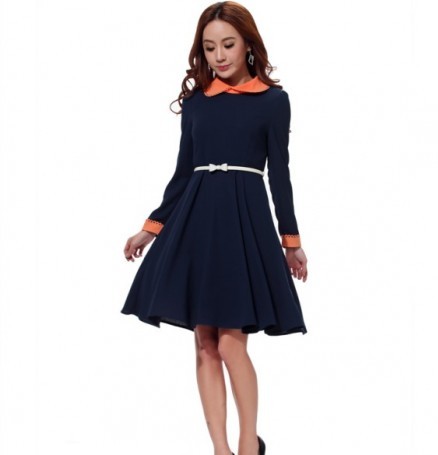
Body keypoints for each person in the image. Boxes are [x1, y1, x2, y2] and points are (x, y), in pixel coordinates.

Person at [121, 2, 309, 454]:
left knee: (230, 343)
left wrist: (291, 241)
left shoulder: (273, 101)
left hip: (243, 221)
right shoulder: (196, 103)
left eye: (228, 44)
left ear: (248, 45)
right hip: (196, 219)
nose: (219, 56)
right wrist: (151, 227)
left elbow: (280, 175)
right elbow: (182, 173)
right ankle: (220, 449)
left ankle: (248, 444)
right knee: (205, 342)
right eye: (209, 48)